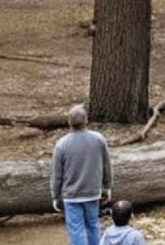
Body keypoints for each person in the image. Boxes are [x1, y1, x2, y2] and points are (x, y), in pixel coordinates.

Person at [50, 105, 113, 245]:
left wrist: (55, 195)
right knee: (93, 225)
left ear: (69, 122)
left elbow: (57, 174)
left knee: (75, 230)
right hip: (92, 193)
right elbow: (106, 165)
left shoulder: (62, 144)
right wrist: (107, 186)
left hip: (71, 196)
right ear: (86, 120)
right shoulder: (98, 139)